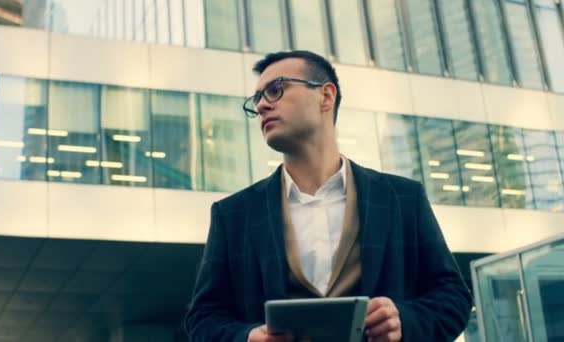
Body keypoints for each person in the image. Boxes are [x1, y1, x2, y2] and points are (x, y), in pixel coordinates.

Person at [184, 50, 472, 342]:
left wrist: (405, 321)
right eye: (256, 99)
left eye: (275, 90)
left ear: (325, 96)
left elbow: (453, 296)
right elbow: (203, 317)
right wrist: (246, 338)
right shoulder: (233, 214)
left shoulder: (403, 198)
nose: (261, 106)